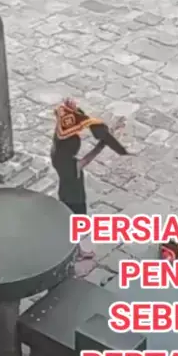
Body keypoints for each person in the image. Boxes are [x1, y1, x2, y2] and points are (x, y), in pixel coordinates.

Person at [51, 98, 129, 260]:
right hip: (76, 199)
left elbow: (59, 135)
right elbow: (88, 158)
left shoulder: (56, 155)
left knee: (68, 221)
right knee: (78, 226)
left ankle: (73, 247)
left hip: (63, 193)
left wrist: (71, 111)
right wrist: (104, 143)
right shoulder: (73, 166)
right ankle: (79, 252)